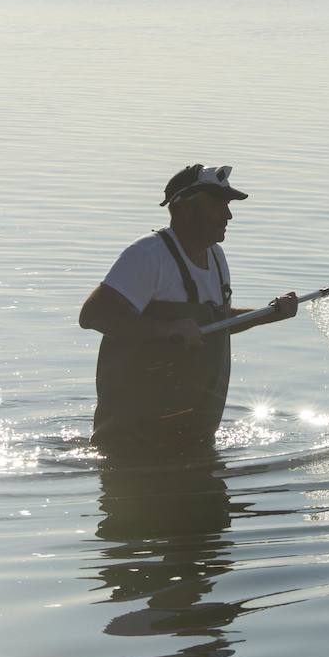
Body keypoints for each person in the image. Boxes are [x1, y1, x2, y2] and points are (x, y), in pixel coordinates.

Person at [79, 164, 297, 459]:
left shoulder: (216, 257)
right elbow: (93, 315)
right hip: (132, 442)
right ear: (183, 209)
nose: (228, 215)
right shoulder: (148, 255)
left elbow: (216, 322)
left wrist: (267, 314)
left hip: (194, 435)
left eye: (228, 206)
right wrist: (167, 329)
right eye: (217, 206)